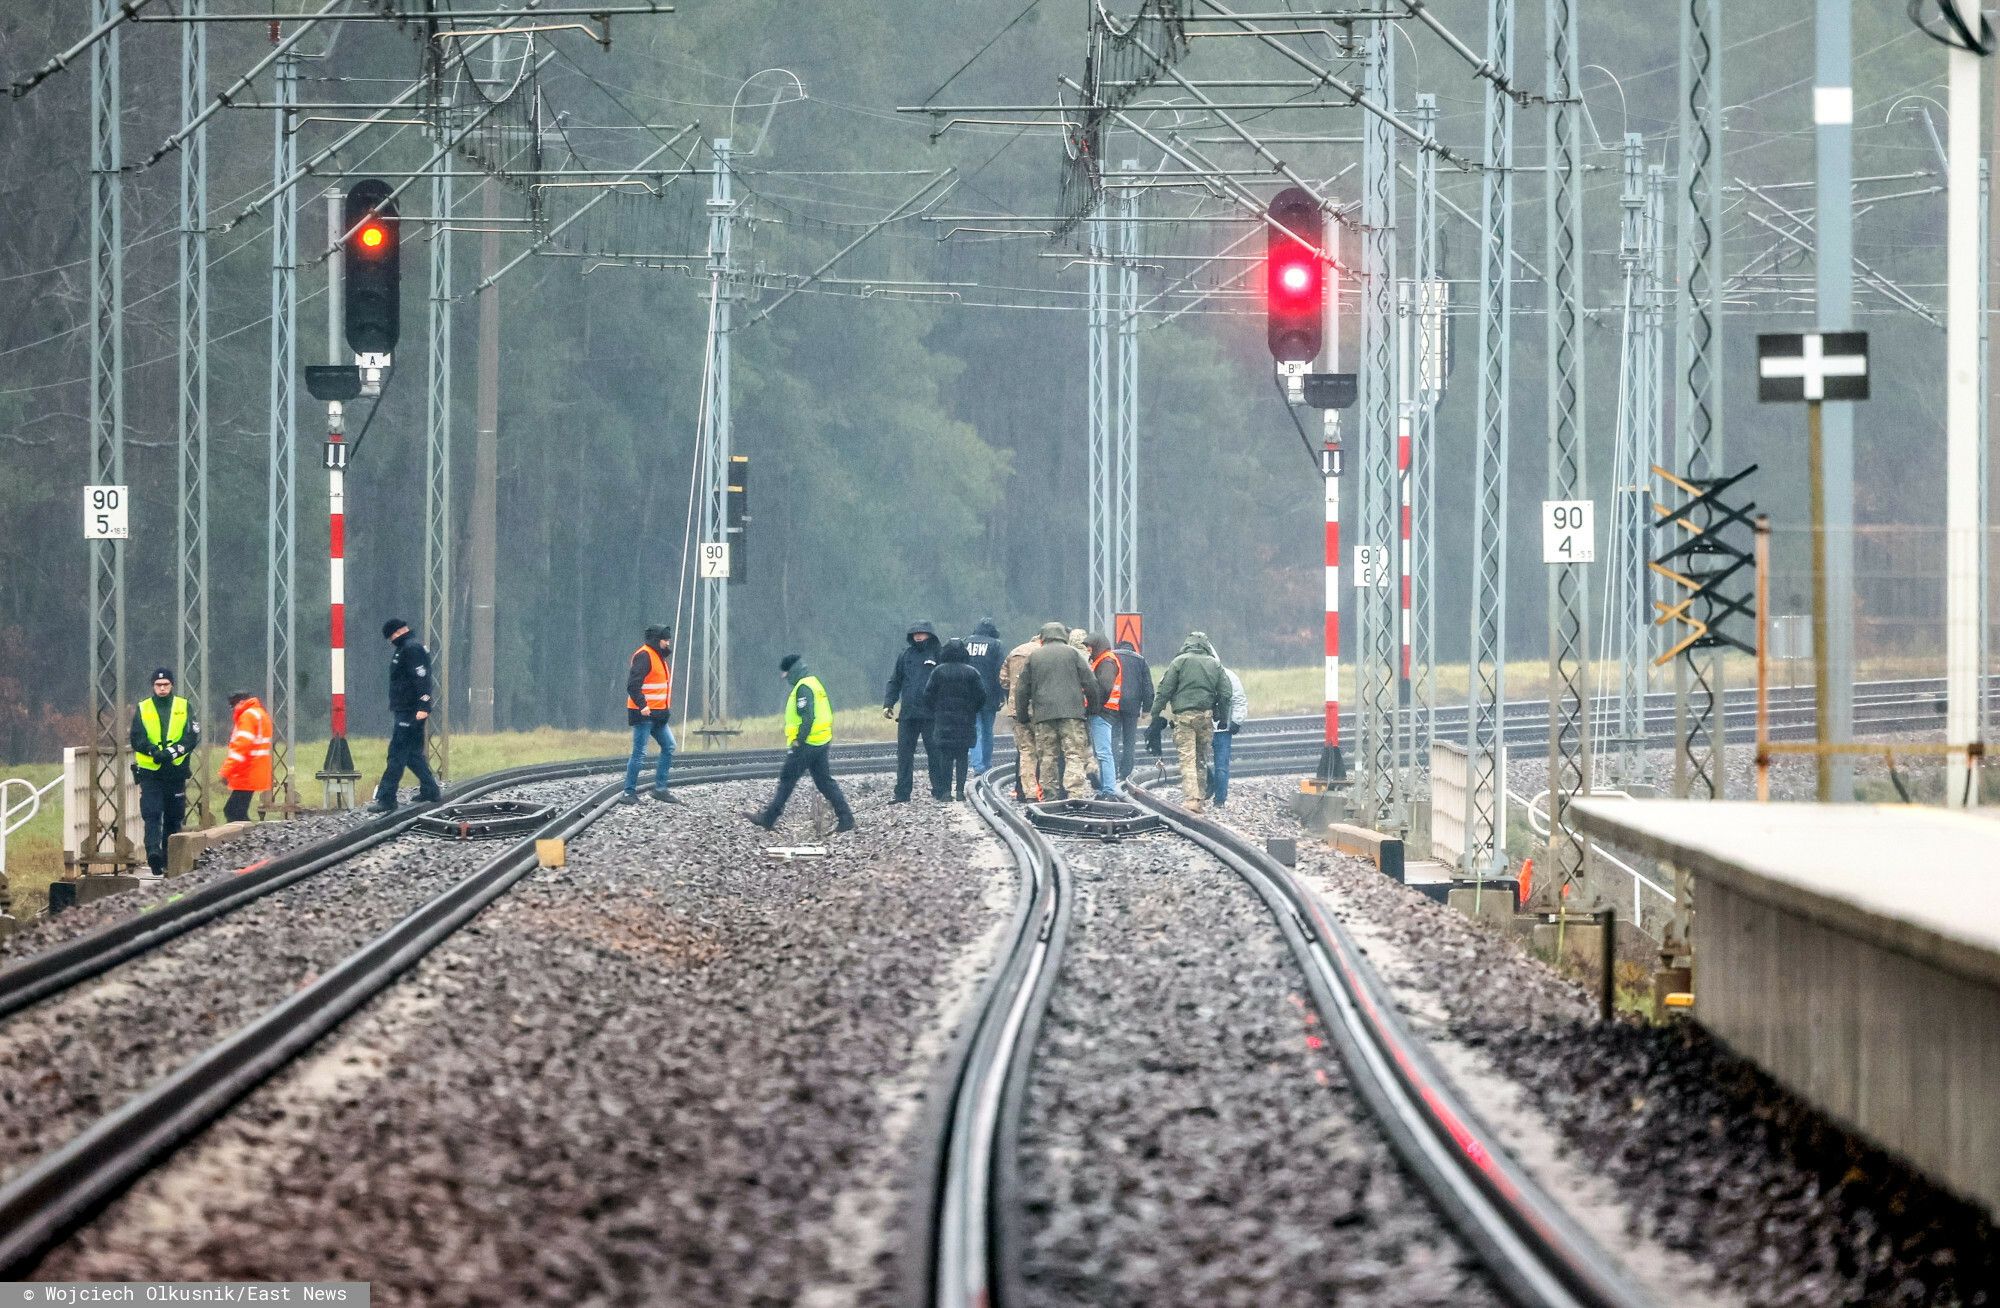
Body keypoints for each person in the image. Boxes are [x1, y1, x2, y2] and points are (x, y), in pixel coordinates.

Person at [745, 654, 856, 833]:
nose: (784, 677)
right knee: (825, 782)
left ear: (792, 670)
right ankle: (846, 818)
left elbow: (808, 716)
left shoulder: (803, 688)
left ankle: (768, 818)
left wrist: (798, 740)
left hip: (806, 743)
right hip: (821, 741)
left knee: (787, 779)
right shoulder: (814, 682)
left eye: (785, 673)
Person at [1013, 621, 1097, 802]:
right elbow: (1090, 682)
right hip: (1072, 714)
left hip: (1043, 715)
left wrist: (1022, 716)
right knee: (1073, 753)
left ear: (1043, 637)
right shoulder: (1073, 654)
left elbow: (1021, 689)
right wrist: (1092, 708)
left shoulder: (1034, 656)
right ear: (1063, 636)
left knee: (1047, 756)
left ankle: (1050, 794)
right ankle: (1074, 794)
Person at [128, 667, 200, 875]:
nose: (162, 688)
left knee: (173, 816)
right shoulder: (144, 707)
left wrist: (171, 751)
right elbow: (136, 737)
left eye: (166, 685)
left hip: (175, 771)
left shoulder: (184, 706)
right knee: (151, 813)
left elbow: (191, 737)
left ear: (172, 685)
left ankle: (169, 858)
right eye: (158, 685)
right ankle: (153, 853)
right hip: (151, 771)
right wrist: (151, 750)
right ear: (153, 686)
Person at [368, 618, 443, 813]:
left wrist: (423, 705)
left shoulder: (411, 649)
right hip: (406, 708)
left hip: (410, 710)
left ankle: (387, 797)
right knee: (412, 754)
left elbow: (422, 678)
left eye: (391, 636)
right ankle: (430, 789)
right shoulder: (405, 648)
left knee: (397, 753)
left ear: (397, 633)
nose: (391, 640)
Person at [1147, 631, 1227, 812]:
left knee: (1187, 758)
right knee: (1201, 759)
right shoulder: (1215, 664)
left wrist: (1155, 713)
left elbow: (1164, 690)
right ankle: (1201, 797)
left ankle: (1192, 799)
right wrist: (1223, 716)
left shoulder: (1179, 662)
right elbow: (1225, 693)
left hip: (1184, 718)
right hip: (1205, 718)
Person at [884, 620, 947, 802]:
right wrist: (888, 703)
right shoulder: (905, 655)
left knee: (935, 753)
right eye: (915, 633)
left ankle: (940, 789)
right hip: (908, 714)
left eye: (922, 633)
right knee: (904, 755)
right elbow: (895, 681)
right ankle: (902, 793)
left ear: (930, 634)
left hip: (931, 713)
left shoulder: (939, 654)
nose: (918, 636)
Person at [924, 638, 987, 801]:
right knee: (962, 756)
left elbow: (928, 695)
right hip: (965, 720)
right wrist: (972, 709)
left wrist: (937, 710)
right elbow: (982, 696)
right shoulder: (972, 672)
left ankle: (945, 791)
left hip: (943, 721)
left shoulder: (938, 671)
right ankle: (960, 791)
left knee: (945, 757)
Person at [622, 624, 679, 804]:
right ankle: (628, 793)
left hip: (658, 715)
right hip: (644, 715)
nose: (668, 642)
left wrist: (663, 710)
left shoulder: (658, 657)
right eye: (665, 639)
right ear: (657, 640)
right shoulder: (644, 655)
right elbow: (633, 685)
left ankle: (660, 789)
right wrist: (643, 705)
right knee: (639, 754)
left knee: (669, 746)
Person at [997, 632, 1041, 800]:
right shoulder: (1043, 652)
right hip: (1040, 709)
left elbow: (1003, 680)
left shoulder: (1015, 652)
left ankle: (1023, 790)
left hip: (1017, 709)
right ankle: (1042, 790)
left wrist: (1014, 690)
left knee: (1024, 751)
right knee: (1045, 751)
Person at [218, 690, 272, 823]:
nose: (233, 710)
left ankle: (244, 840)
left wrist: (226, 772)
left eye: (233, 706)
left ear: (241, 702)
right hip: (255, 770)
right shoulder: (260, 713)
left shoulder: (247, 716)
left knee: (232, 811)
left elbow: (241, 748)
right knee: (238, 811)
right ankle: (248, 837)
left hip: (247, 771)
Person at [1083, 633, 1124, 801]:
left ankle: (1109, 790)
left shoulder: (1106, 662)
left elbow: (1105, 687)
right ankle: (1105, 789)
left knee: (1104, 753)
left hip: (1103, 712)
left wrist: (1094, 707)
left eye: (1090, 646)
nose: (1088, 650)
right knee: (1102, 753)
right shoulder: (1104, 660)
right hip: (1104, 711)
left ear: (1097, 645)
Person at [963, 618, 1005, 775]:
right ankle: (986, 764)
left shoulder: (965, 642)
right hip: (990, 695)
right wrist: (1002, 695)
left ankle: (977, 765)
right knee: (988, 731)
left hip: (968, 695)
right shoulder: (996, 644)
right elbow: (1000, 670)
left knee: (975, 729)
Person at [1112, 637, 1155, 780]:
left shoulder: (1112, 657)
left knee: (1113, 736)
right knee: (1129, 739)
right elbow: (1148, 687)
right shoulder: (1140, 660)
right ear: (1132, 649)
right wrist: (1146, 709)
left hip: (1113, 703)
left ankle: (1112, 768)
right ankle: (1125, 771)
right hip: (1132, 706)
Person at [1209, 659, 1249, 809]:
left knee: (1197, 761)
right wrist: (1237, 721)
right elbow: (1239, 699)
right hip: (1222, 728)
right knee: (1221, 765)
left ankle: (1214, 795)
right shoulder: (1230, 675)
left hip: (1205, 726)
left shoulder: (1195, 673)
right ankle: (1219, 799)